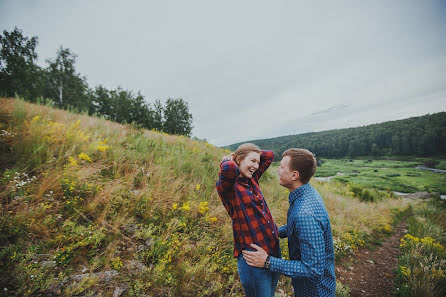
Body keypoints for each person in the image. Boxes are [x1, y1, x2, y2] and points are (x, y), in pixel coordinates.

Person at [242, 148, 336, 297]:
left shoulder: (305, 215)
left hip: (315, 292)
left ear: (294, 175)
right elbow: (295, 227)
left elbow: (313, 270)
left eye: (282, 166)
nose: (278, 170)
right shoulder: (306, 194)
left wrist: (267, 261)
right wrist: (273, 232)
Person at [216, 143, 281, 297]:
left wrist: (253, 157)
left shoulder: (252, 179)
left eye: (257, 162)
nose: (256, 166)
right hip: (253, 259)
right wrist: (229, 159)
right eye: (252, 161)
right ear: (238, 160)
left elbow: (270, 155)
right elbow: (229, 169)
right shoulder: (228, 188)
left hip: (272, 253)